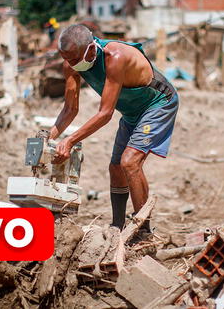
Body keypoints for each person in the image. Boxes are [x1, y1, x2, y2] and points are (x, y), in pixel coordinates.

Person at [51, 24, 178, 233]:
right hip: (132, 111)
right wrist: (49, 138)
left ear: (91, 49)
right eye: (66, 59)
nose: (71, 64)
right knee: (115, 167)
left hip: (158, 103)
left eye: (74, 59)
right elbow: (70, 109)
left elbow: (105, 113)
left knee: (129, 162)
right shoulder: (71, 64)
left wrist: (70, 141)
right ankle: (117, 227)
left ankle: (143, 231)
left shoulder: (115, 57)